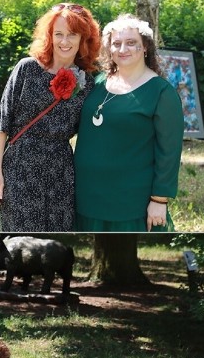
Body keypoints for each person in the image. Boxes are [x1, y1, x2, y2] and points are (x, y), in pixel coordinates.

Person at [0, 3, 100, 232]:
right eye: (58, 34)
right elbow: (1, 126)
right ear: (49, 36)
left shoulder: (88, 83)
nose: (65, 42)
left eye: (72, 35)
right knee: (21, 232)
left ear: (83, 39)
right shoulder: (27, 69)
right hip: (20, 166)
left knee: (58, 231)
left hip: (61, 170)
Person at [73, 14, 184, 232]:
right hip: (87, 195)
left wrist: (159, 200)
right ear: (109, 49)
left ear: (145, 48)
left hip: (131, 202)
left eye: (131, 43)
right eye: (117, 43)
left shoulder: (162, 92)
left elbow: (169, 152)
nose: (123, 49)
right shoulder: (96, 83)